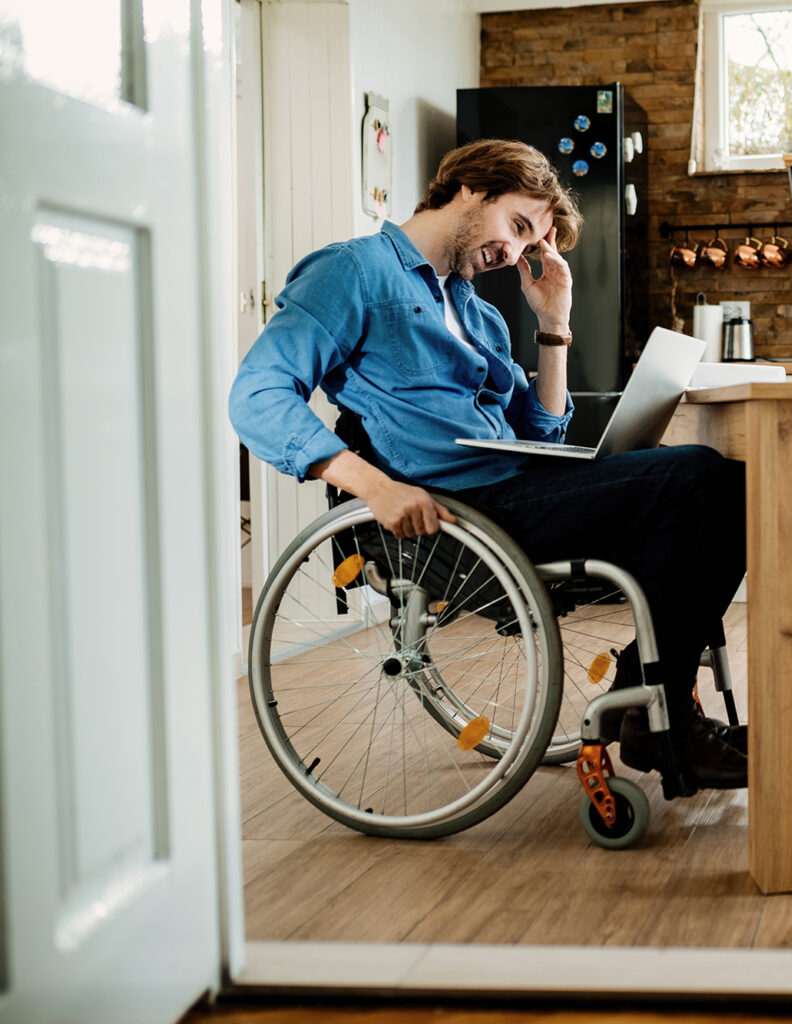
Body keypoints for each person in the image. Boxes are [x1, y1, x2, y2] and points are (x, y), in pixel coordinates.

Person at [229, 139, 747, 788]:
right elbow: (257, 396)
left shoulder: (480, 314)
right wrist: (374, 487)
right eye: (518, 226)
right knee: (698, 478)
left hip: (520, 494)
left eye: (528, 243)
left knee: (731, 482)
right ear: (472, 188)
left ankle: (650, 698)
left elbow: (541, 434)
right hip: (463, 515)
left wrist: (553, 325)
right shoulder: (354, 272)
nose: (514, 253)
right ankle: (663, 720)